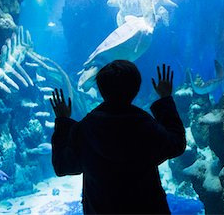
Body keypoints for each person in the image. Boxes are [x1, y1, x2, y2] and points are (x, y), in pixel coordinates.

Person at [50, 60, 186, 214]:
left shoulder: (83, 130)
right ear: (136, 87)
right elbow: (177, 144)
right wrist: (165, 100)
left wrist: (63, 122)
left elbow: (63, 166)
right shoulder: (145, 126)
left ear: (101, 90)